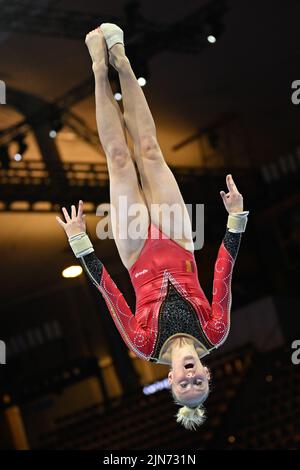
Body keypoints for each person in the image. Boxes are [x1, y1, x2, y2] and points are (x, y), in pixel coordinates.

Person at [56, 24, 249, 431]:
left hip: (135, 251)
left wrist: (79, 240)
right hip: (180, 240)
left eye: (185, 385)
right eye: (199, 382)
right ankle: (121, 60)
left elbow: (110, 295)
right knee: (148, 151)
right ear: (207, 374)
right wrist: (236, 217)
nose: (191, 376)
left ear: (171, 382)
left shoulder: (143, 346)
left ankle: (96, 67)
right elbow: (223, 274)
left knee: (119, 159)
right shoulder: (216, 331)